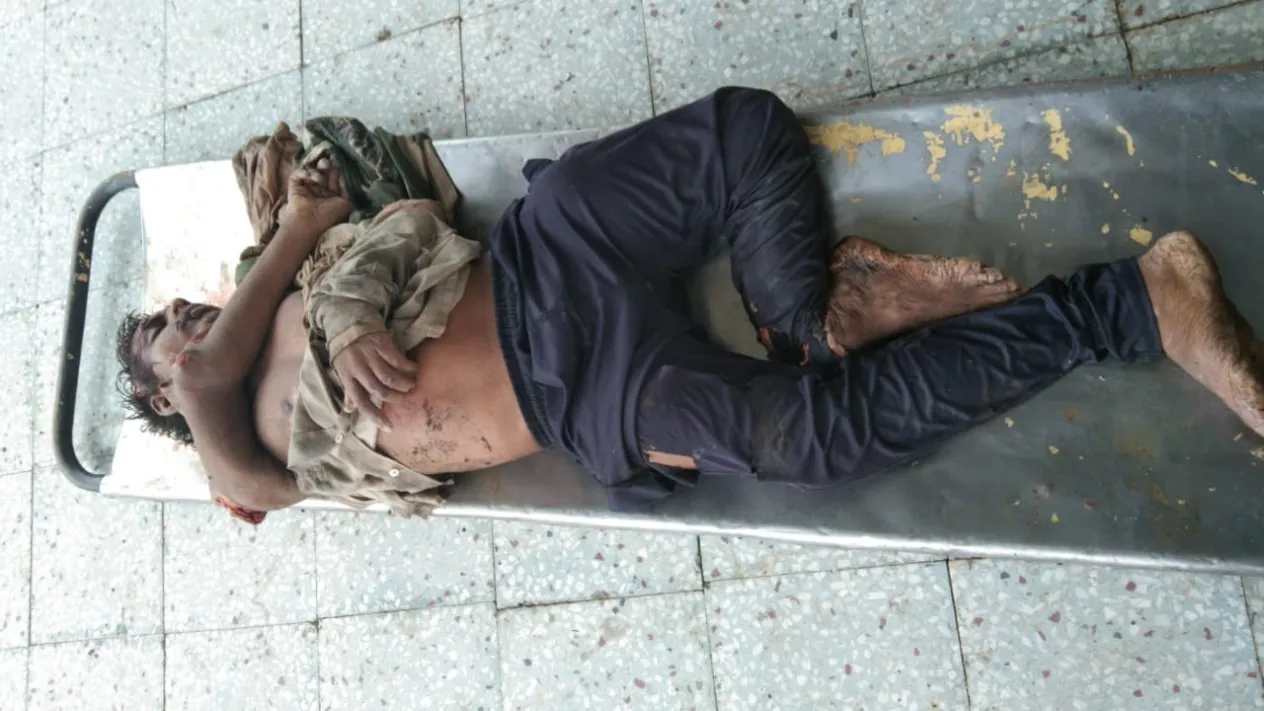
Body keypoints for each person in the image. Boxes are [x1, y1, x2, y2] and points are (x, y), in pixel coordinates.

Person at [116, 87, 1264, 517]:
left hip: (543, 253)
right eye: (164, 337)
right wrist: (299, 270)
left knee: (747, 132)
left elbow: (411, 223)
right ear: (168, 402)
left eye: (177, 306)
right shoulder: (247, 452)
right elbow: (224, 429)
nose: (187, 324)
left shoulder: (293, 278)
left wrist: (340, 289)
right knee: (813, 442)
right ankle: (1134, 304)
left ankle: (812, 316)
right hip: (595, 394)